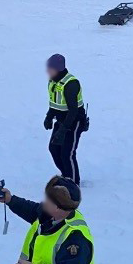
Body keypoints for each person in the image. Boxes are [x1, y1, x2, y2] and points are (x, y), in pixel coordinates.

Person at [44, 53, 88, 184]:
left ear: (58, 69)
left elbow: (73, 111)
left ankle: (73, 183)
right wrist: (49, 117)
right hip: (62, 120)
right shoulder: (53, 82)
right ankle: (66, 176)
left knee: (67, 153)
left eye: (50, 68)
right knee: (54, 148)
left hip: (75, 121)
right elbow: (54, 102)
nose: (47, 71)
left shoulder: (71, 84)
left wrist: (63, 130)